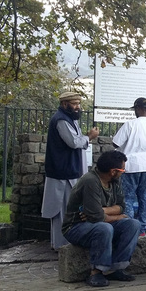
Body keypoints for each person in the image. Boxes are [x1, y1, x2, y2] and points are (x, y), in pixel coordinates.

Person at [62, 150, 140, 287]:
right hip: (76, 227)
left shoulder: (115, 181)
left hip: (97, 223)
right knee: (104, 227)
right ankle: (96, 272)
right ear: (113, 171)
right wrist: (116, 216)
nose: (124, 172)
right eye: (122, 169)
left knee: (133, 224)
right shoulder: (90, 181)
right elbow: (96, 217)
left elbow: (122, 206)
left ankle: (117, 268)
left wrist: (103, 211)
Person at [41, 91, 99, 250]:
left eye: (79, 104)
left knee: (68, 209)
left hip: (69, 171)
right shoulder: (61, 120)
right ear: (64, 104)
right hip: (63, 173)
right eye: (74, 104)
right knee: (62, 210)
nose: (77, 107)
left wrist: (85, 137)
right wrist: (90, 137)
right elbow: (73, 142)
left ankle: (63, 244)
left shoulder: (70, 119)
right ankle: (62, 246)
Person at [112, 97, 146, 235]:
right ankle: (142, 230)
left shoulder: (130, 124)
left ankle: (128, 228)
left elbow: (115, 143)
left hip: (130, 167)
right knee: (145, 199)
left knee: (128, 199)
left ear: (137, 109)